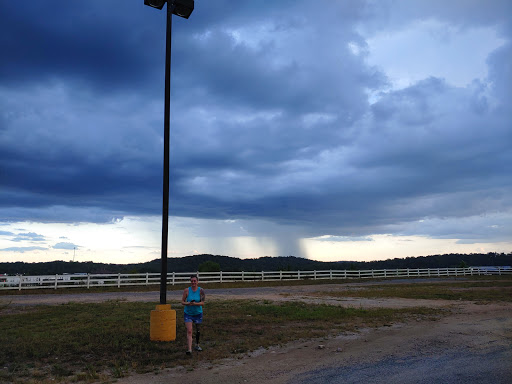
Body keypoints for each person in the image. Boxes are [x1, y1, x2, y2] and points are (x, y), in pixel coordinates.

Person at [181, 275, 205, 355]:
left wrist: (195, 303)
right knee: (189, 330)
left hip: (198, 313)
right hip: (188, 313)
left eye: (194, 281)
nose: (193, 282)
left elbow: (203, 303)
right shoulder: (186, 290)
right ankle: (189, 349)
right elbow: (182, 301)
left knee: (198, 330)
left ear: (197, 282)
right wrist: (188, 303)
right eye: (192, 281)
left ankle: (197, 344)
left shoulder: (201, 291)